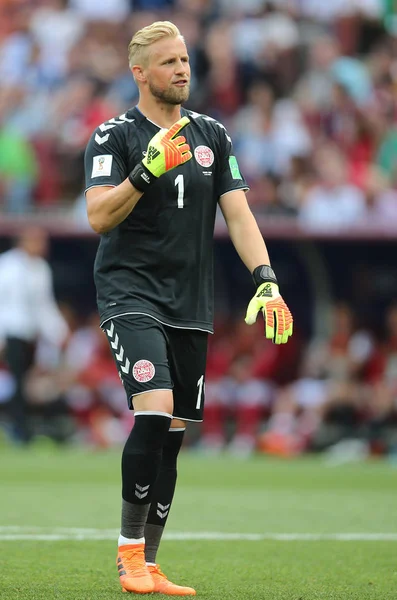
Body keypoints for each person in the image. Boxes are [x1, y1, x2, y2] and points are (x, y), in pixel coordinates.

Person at [84, 20, 293, 596]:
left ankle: (151, 562)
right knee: (153, 408)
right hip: (130, 293)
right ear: (140, 73)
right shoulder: (113, 136)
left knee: (174, 431)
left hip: (189, 300)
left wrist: (266, 280)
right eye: (169, 62)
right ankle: (128, 555)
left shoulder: (213, 135)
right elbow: (98, 216)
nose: (182, 69)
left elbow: (240, 214)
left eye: (185, 60)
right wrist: (146, 169)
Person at [0, 226, 69, 443]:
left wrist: (60, 332)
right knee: (17, 383)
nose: (42, 246)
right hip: (9, 333)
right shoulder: (7, 265)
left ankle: (22, 428)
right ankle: (18, 430)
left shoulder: (40, 269)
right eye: (37, 241)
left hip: (30, 336)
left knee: (27, 384)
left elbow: (44, 306)